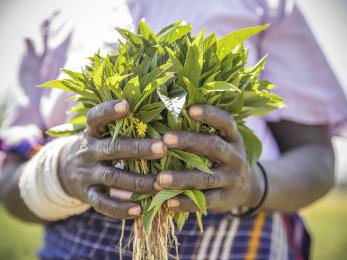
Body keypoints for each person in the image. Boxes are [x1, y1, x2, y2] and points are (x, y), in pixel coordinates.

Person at [1, 0, 347, 259]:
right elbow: (10, 183)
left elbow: (316, 157)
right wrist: (58, 172)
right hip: (76, 238)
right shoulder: (51, 14)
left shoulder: (264, 5)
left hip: (237, 235)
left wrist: (251, 184)